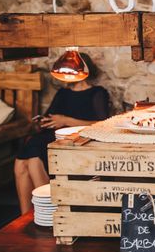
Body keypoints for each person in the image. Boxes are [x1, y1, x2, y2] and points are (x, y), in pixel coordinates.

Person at [14, 54, 110, 214]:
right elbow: (50, 116)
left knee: (32, 159)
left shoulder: (97, 93)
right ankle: (25, 215)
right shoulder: (62, 93)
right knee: (21, 162)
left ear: (82, 69)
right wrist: (43, 121)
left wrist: (65, 120)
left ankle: (49, 211)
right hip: (50, 135)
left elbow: (101, 124)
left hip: (74, 138)